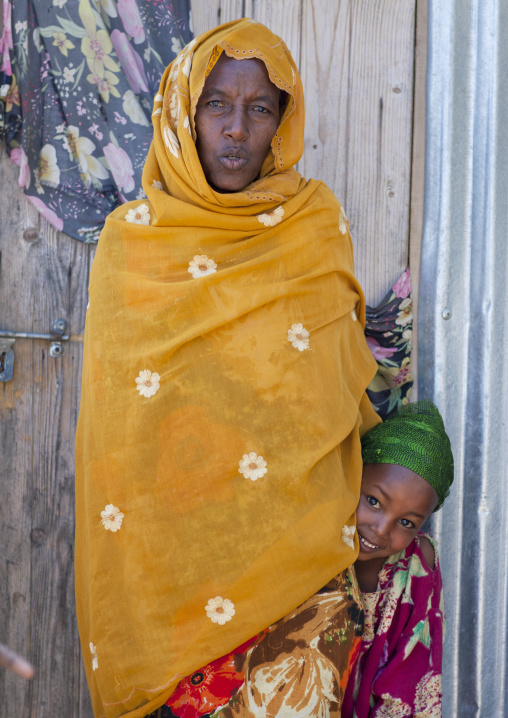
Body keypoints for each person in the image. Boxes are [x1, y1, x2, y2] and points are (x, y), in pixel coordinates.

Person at [75, 19, 381, 718]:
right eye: (217, 105)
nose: (237, 129)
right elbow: (119, 439)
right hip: (169, 584)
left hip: (299, 576)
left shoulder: (313, 223)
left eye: (259, 108)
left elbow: (330, 392)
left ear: (282, 121)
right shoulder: (133, 245)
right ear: (185, 112)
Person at [342, 401, 454, 718]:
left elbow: (413, 679)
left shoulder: (418, 563)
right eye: (374, 501)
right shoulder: (318, 541)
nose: (381, 529)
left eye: (406, 522)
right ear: (354, 476)